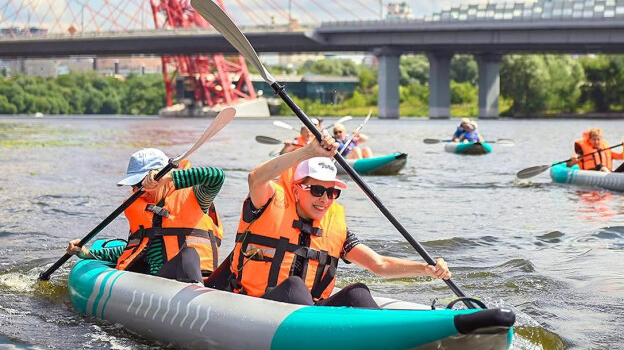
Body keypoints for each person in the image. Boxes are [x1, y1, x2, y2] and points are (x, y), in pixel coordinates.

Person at [228, 132, 451, 308]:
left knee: (358, 293)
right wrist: (308, 151)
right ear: (296, 191)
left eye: (332, 192)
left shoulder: (334, 229)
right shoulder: (267, 204)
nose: (325, 199)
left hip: (310, 311)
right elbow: (255, 178)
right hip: (260, 306)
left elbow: (378, 264)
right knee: (294, 286)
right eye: (316, 190)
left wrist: (426, 268)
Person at [66, 148, 225, 283]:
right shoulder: (142, 210)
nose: (136, 191)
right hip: (158, 284)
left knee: (188, 255)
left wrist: (169, 177)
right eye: (134, 186)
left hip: (199, 281)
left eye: (142, 183)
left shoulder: (198, 198)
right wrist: (87, 253)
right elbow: (133, 250)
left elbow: (216, 176)